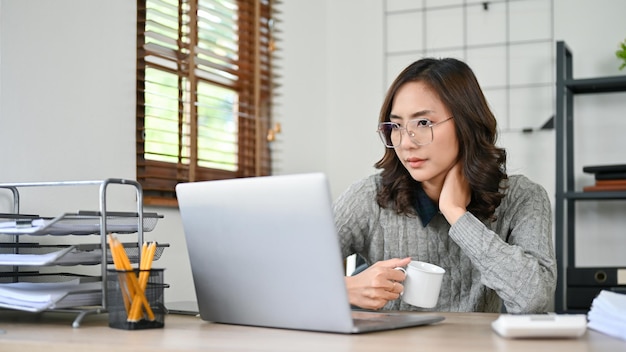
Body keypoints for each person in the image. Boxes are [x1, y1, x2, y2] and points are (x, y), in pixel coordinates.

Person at [333, 57, 556, 313]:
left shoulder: (522, 197)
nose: (406, 142)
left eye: (423, 123)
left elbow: (534, 299)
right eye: (396, 126)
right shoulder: (370, 197)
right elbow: (285, 273)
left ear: (466, 124)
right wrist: (346, 288)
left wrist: (455, 213)